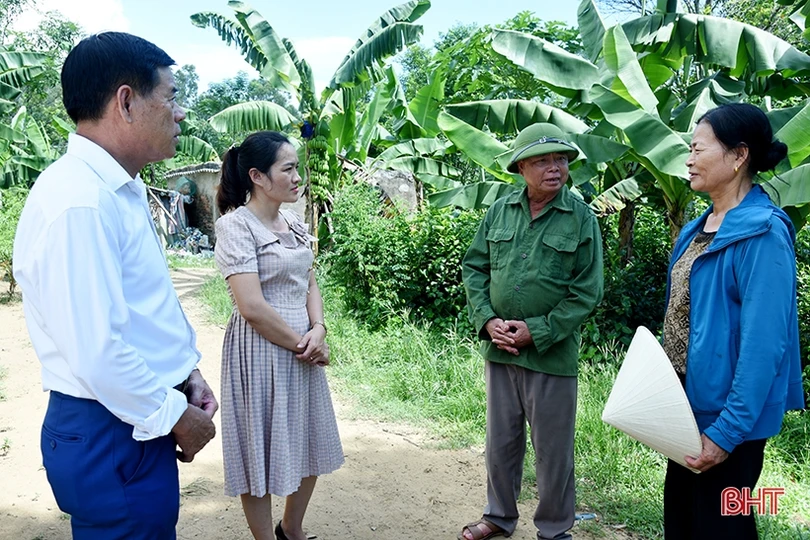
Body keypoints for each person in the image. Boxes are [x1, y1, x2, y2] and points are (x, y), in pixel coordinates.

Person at [12, 32, 218, 539]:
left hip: (129, 412)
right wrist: (175, 415)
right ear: (126, 102)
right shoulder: (81, 202)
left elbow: (142, 307)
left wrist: (185, 373)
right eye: (171, 97)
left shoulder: (117, 189)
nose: (180, 114)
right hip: (111, 424)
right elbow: (97, 351)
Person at [661, 103, 804, 538]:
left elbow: (765, 345)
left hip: (727, 421)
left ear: (739, 155)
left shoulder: (763, 233)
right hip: (684, 411)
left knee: (724, 525)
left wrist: (727, 432)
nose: (689, 159)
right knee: (682, 521)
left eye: (698, 149)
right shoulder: (698, 228)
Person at [460, 123, 604, 540]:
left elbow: (587, 291)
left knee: (553, 451)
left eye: (561, 159)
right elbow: (474, 268)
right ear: (521, 168)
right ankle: (498, 517)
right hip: (500, 350)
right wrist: (487, 320)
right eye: (542, 161)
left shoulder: (581, 218)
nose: (555, 168)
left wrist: (537, 331)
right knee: (501, 443)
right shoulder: (500, 210)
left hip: (551, 355)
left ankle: (554, 530)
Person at [214, 131, 344, 540]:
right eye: (287, 169)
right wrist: (305, 345)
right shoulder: (236, 226)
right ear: (258, 176)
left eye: (297, 167)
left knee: (308, 438)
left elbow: (310, 283)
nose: (297, 177)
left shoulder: (295, 223)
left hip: (303, 347)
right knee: (259, 448)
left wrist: (319, 329)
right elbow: (251, 307)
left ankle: (291, 528)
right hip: (261, 349)